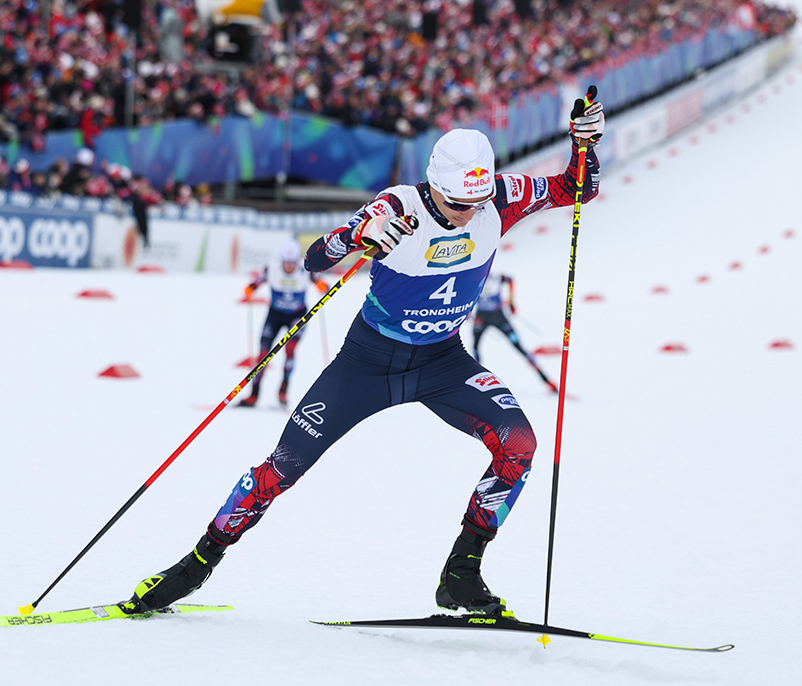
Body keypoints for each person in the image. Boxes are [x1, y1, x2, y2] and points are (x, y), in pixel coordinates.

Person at [120, 92, 604, 617]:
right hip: (366, 365)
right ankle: (195, 565)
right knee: (283, 468)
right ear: (434, 186)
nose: (469, 215)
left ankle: (461, 573)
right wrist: (358, 234)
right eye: (457, 203)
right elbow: (314, 258)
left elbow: (577, 188)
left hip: (442, 363)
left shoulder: (499, 198)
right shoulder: (398, 207)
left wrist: (583, 145)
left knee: (520, 445)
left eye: (476, 204)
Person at [238, 239, 329, 407]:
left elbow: (323, 284)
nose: (289, 266)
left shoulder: (306, 269)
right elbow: (256, 282)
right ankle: (254, 395)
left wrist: (323, 286)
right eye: (286, 263)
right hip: (275, 315)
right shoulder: (271, 268)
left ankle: (283, 391)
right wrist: (250, 288)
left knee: (290, 350)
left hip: (297, 316)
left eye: (292, 263)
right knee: (263, 354)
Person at [471, 272, 558, 392]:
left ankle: (547, 380)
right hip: (481, 318)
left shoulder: (497, 278)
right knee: (475, 348)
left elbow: (510, 280)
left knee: (520, 348)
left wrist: (512, 302)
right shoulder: (475, 278)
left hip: (499, 317)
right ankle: (474, 383)